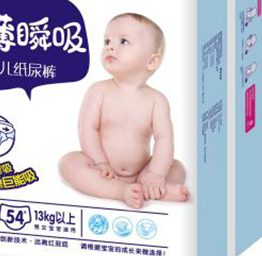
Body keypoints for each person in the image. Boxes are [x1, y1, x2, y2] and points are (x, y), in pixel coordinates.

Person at [59, 13, 189, 209]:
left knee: (176, 166)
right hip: (103, 171)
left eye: (123, 41)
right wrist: (100, 162)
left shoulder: (157, 100)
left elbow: (164, 139)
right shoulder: (98, 91)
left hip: (142, 172)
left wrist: (155, 173)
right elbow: (87, 128)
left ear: (152, 62)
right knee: (68, 163)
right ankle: (119, 191)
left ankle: (150, 186)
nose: (110, 47)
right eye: (107, 41)